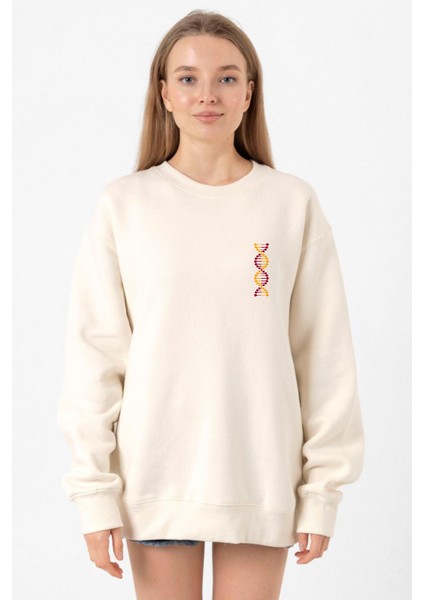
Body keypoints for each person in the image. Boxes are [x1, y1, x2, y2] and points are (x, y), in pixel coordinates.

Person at [57, 9, 365, 600]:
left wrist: (321, 491)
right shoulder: (125, 206)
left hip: (260, 477)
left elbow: (324, 356)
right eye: (188, 78)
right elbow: (95, 358)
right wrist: (94, 493)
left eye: (226, 78)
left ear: (249, 93)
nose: (208, 95)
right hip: (156, 478)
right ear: (164, 93)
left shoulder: (290, 203)